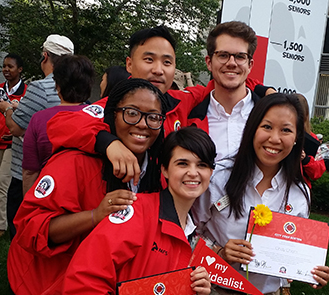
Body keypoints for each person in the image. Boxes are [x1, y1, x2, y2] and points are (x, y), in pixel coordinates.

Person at [7, 78, 168, 295]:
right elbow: (28, 228)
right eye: (131, 113)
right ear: (111, 114)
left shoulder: (156, 172)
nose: (143, 124)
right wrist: (94, 216)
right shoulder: (74, 162)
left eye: (153, 117)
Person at [182, 94, 329, 295]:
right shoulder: (220, 178)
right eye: (267, 127)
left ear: (297, 137)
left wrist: (311, 272)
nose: (275, 139)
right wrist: (219, 252)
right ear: (252, 128)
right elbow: (188, 232)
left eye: (286, 130)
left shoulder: (298, 195)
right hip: (210, 293)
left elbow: (292, 256)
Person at [59, 126, 215, 295]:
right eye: (182, 164)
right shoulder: (136, 213)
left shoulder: (192, 231)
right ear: (164, 169)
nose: (193, 173)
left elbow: (159, 294)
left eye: (201, 165)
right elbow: (83, 276)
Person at [46, 25, 273, 184]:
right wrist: (107, 142)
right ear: (129, 64)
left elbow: (230, 77)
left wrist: (265, 91)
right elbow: (60, 124)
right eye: (148, 59)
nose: (158, 70)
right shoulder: (112, 106)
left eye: (167, 62)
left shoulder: (181, 101)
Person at [0, 34, 74, 239]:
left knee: (22, 222)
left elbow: (16, 128)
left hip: (26, 169)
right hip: (58, 167)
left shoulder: (40, 87)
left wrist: (7, 109)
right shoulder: (75, 89)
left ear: (45, 56)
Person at [22, 55, 95, 194]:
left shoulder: (39, 119)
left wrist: (30, 208)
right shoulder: (99, 118)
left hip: (50, 196)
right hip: (89, 198)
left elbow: (30, 172)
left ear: (57, 85)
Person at [0, 53, 27, 237]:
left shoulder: (26, 92)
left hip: (12, 145)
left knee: (3, 182)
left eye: (10, 66)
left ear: (20, 69)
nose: (6, 70)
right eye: (4, 66)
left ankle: (1, 226)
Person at [296, 94, 325, 188]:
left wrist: (306, 159)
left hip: (299, 190)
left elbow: (318, 171)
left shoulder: (312, 139)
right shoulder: (277, 134)